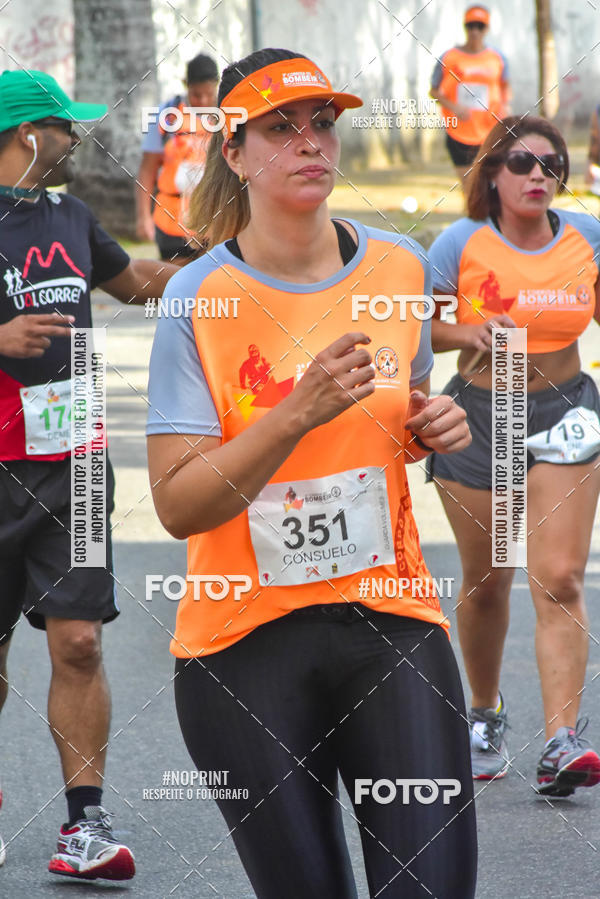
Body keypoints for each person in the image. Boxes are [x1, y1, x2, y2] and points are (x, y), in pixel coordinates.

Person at [147, 47, 477, 898]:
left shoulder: (400, 269)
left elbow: (397, 419)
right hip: (242, 645)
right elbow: (179, 504)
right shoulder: (197, 297)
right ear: (233, 150)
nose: (309, 143)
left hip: (391, 620)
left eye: (323, 123)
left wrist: (429, 427)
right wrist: (295, 410)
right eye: (281, 127)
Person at [0, 69, 178, 879]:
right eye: (64, 126)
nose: (76, 139)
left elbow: (136, 284)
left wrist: (226, 265)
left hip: (72, 460)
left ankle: (85, 827)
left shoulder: (71, 215)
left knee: (78, 640)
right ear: (26, 134)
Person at [427, 114, 600, 795]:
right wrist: (469, 327)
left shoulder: (586, 236)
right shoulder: (461, 242)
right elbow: (418, 328)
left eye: (551, 164)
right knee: (490, 578)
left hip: (567, 412)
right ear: (493, 175)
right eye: (523, 164)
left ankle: (563, 738)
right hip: (479, 416)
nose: (538, 175)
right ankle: (485, 712)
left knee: (558, 576)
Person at [136, 52, 219, 261]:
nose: (203, 101)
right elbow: (148, 168)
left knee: (212, 286)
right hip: (170, 221)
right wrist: (143, 217)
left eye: (209, 94)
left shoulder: (228, 115)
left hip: (215, 220)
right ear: (186, 85)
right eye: (196, 94)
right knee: (173, 285)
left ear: (217, 85)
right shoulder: (167, 115)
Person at [430, 5, 511, 187]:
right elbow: (433, 91)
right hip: (459, 132)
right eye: (471, 26)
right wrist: (454, 107)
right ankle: (473, 215)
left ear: (486, 29)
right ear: (465, 27)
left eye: (480, 26)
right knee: (469, 187)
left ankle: (488, 215)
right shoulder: (449, 58)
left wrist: (505, 113)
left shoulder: (498, 58)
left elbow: (505, 89)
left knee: (491, 185)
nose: (475, 31)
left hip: (490, 132)